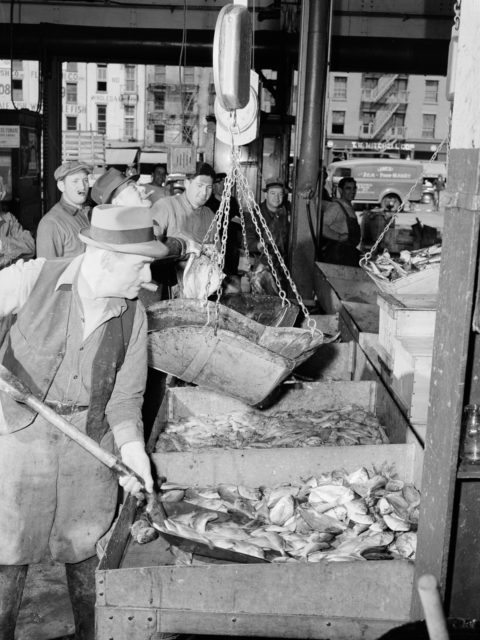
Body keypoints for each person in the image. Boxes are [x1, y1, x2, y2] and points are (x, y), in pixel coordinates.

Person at [0, 204, 170, 640]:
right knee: (8, 549)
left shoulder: (134, 313)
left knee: (87, 548)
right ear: (107, 259)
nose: (148, 279)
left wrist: (134, 453)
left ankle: (90, 633)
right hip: (19, 438)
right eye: (141, 266)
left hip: (90, 443)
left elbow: (126, 399)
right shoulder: (31, 278)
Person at [36, 161, 92, 259]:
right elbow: (48, 269)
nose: (82, 186)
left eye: (85, 180)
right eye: (75, 181)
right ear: (61, 186)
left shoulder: (92, 214)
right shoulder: (51, 223)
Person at [319, 176, 362, 266]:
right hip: (337, 255)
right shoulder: (336, 207)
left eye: (354, 188)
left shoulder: (349, 207)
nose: (352, 191)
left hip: (348, 253)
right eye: (348, 188)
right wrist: (338, 236)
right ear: (340, 190)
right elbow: (322, 227)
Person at [205, 172, 241, 276]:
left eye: (225, 184)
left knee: (231, 272)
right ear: (213, 186)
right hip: (214, 243)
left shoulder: (232, 201)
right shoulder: (209, 203)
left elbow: (238, 221)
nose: (222, 187)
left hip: (231, 242)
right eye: (218, 184)